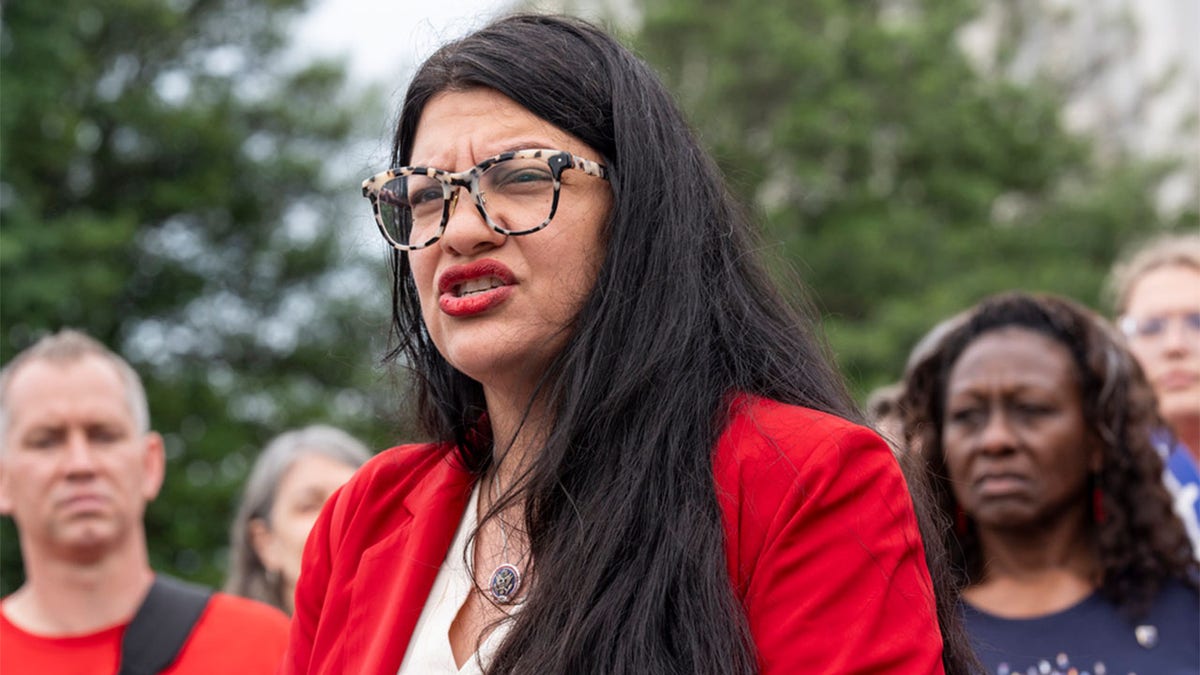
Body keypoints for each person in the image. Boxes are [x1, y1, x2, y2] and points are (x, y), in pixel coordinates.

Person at [284, 13, 976, 675]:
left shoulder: (808, 480)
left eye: (522, 175)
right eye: (427, 194)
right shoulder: (364, 515)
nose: (461, 229)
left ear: (637, 212)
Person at [901, 292, 1200, 675]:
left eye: (1031, 410)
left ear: (1098, 438)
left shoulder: (1188, 616)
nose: (995, 439)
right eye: (967, 415)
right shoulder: (909, 629)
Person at [0, 329, 290, 674]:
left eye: (104, 436)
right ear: (3, 480)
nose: (80, 464)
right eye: (46, 441)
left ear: (150, 465)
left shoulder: (266, 647)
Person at [1108, 232, 1200, 552]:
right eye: (1151, 327)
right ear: (1121, 345)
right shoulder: (1096, 481)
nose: (1175, 346)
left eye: (1197, 322)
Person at [224, 424, 370, 614]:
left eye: (355, 500)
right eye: (308, 505)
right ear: (265, 542)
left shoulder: (417, 637)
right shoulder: (231, 641)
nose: (340, 516)